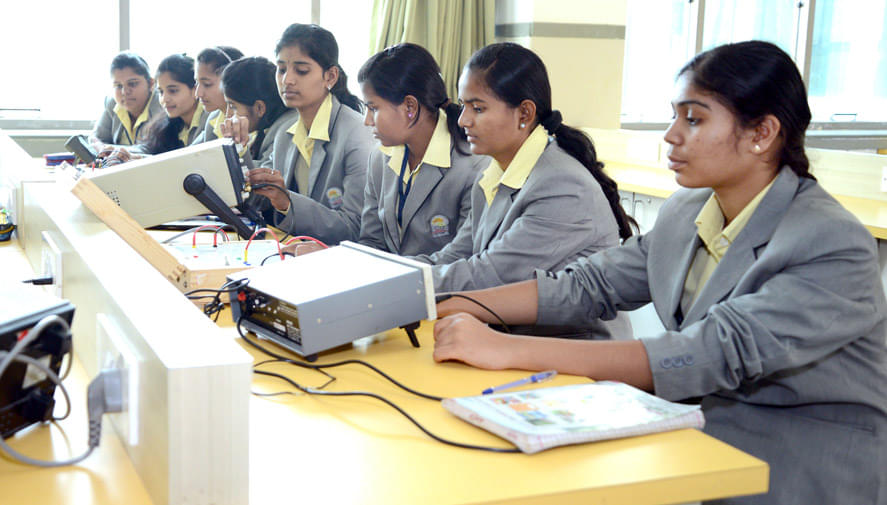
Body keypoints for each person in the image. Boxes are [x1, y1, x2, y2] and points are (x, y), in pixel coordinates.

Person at [433, 41, 887, 505]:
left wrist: (504, 347)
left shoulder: (830, 241)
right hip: (695, 435)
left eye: (693, 119)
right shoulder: (687, 210)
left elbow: (706, 353)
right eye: (674, 116)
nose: (670, 135)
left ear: (762, 133)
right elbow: (590, 284)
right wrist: (454, 303)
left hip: (797, 464)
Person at [411, 42, 634, 299]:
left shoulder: (562, 186)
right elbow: (457, 254)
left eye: (478, 108)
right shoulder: (494, 175)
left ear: (525, 113)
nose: (462, 120)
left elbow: (490, 276)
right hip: (507, 331)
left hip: (566, 339)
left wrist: (400, 286)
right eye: (463, 106)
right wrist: (394, 274)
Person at [243, 23, 372, 245]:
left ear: (330, 77)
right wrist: (238, 148)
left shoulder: (357, 135)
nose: (287, 80)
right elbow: (262, 200)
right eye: (281, 69)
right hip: (296, 251)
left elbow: (354, 228)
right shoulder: (286, 132)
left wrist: (287, 202)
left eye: (301, 70)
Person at [355, 43, 485, 256]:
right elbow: (371, 240)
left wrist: (393, 278)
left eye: (373, 108)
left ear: (410, 107)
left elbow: (461, 256)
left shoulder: (474, 165)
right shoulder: (380, 158)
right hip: (390, 283)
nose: (367, 121)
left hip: (443, 286)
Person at [219, 56, 298, 168]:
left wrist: (238, 147)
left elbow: (261, 178)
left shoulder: (287, 129)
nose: (228, 115)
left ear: (260, 108)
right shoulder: (266, 126)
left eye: (233, 106)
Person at [89, 51, 162, 149]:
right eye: (118, 86)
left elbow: (152, 149)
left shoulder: (162, 104)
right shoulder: (112, 103)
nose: (124, 92)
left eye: (133, 84)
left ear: (151, 84)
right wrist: (100, 147)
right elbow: (95, 138)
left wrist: (113, 150)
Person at [193, 46, 244, 144]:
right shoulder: (214, 118)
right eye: (196, 83)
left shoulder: (250, 120)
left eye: (207, 84)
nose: (198, 93)